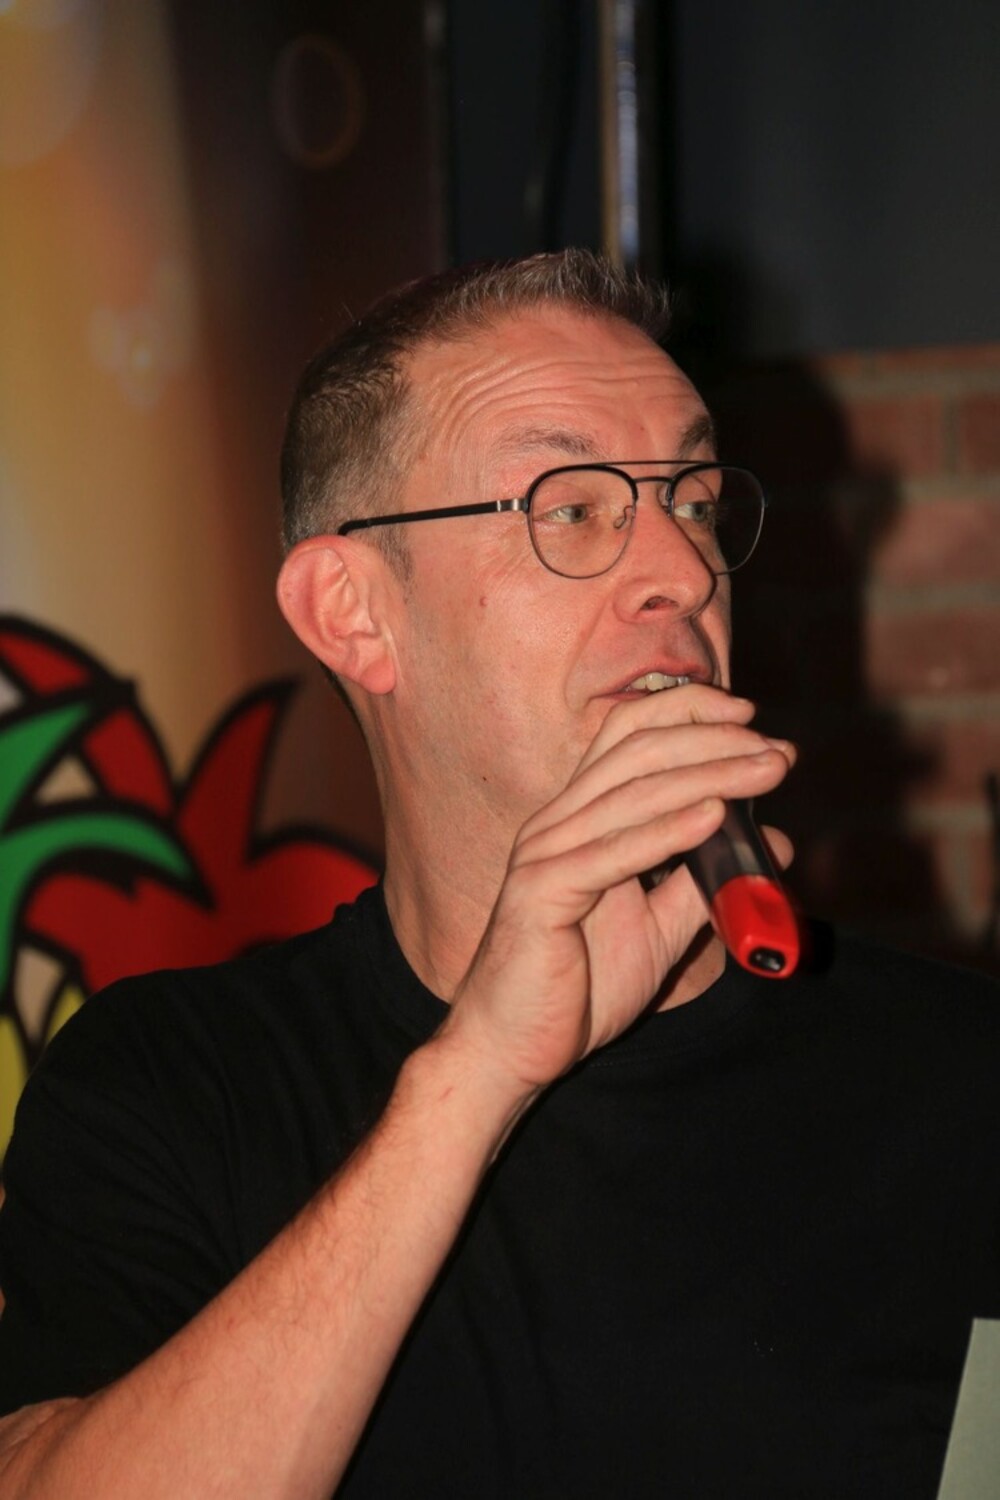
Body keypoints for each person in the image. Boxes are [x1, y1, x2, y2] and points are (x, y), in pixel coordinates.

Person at [0, 250, 998, 1499]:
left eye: (693, 500)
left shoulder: (961, 1081)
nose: (683, 571)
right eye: (571, 509)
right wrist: (475, 1076)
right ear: (354, 613)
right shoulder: (173, 1084)